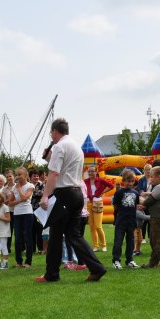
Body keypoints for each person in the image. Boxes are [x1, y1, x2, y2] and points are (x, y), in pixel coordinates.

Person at [37, 118, 106, 282]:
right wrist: (50, 159)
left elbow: (54, 173)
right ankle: (97, 268)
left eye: (51, 133)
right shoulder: (76, 146)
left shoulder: (59, 146)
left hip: (64, 193)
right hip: (77, 193)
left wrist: (45, 195)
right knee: (74, 234)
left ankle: (52, 274)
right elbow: (66, 169)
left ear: (55, 131)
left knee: (55, 235)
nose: (51, 136)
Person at [138, 166, 160, 269]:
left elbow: (147, 201)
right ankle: (153, 263)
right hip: (157, 216)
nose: (150, 178)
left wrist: (140, 198)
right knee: (153, 240)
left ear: (158, 176)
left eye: (152, 176)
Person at [111, 169, 140, 269]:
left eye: (132, 181)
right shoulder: (119, 193)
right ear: (123, 181)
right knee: (118, 241)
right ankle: (116, 260)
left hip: (131, 221)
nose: (130, 183)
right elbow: (115, 206)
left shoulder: (136, 193)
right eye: (128, 181)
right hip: (121, 221)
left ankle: (130, 260)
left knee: (131, 242)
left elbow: (136, 205)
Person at [7, 167, 35, 269]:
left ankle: (28, 261)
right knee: (17, 238)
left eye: (20, 174)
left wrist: (19, 189)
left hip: (27, 213)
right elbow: (10, 203)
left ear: (25, 175)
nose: (18, 177)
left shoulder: (30, 186)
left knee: (27, 237)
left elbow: (25, 197)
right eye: (17, 175)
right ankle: (18, 261)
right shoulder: (14, 187)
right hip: (17, 214)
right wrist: (19, 201)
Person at [85, 165, 112, 252]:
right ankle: (96, 246)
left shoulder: (100, 180)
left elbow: (111, 186)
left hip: (98, 203)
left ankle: (103, 245)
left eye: (92, 171)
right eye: (89, 171)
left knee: (98, 226)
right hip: (88, 203)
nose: (90, 173)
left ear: (96, 172)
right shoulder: (85, 181)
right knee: (91, 226)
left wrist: (102, 192)